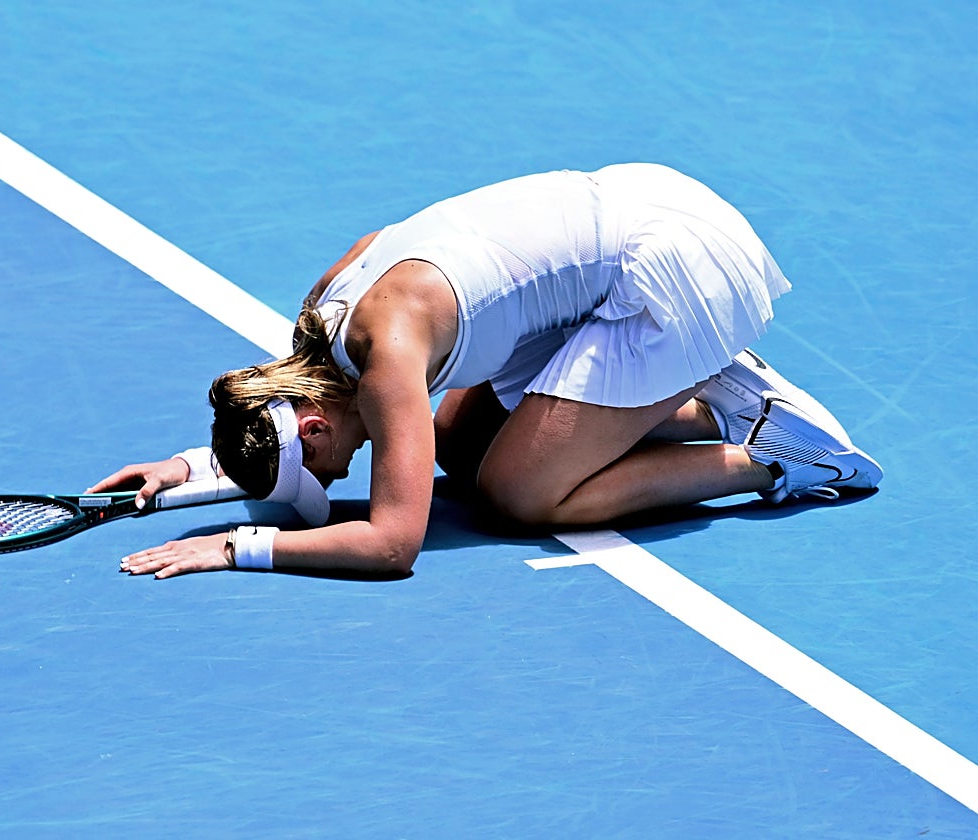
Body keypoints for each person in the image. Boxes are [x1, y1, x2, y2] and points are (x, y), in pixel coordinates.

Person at [90, 163, 882, 579]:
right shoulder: (322, 324)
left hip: (683, 270)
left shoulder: (388, 357)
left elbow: (395, 544)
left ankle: (774, 452)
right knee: (457, 454)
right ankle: (710, 397)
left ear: (315, 422)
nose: (334, 484)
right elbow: (290, 427)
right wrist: (194, 470)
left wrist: (236, 546)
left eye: (321, 470)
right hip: (649, 206)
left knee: (514, 494)